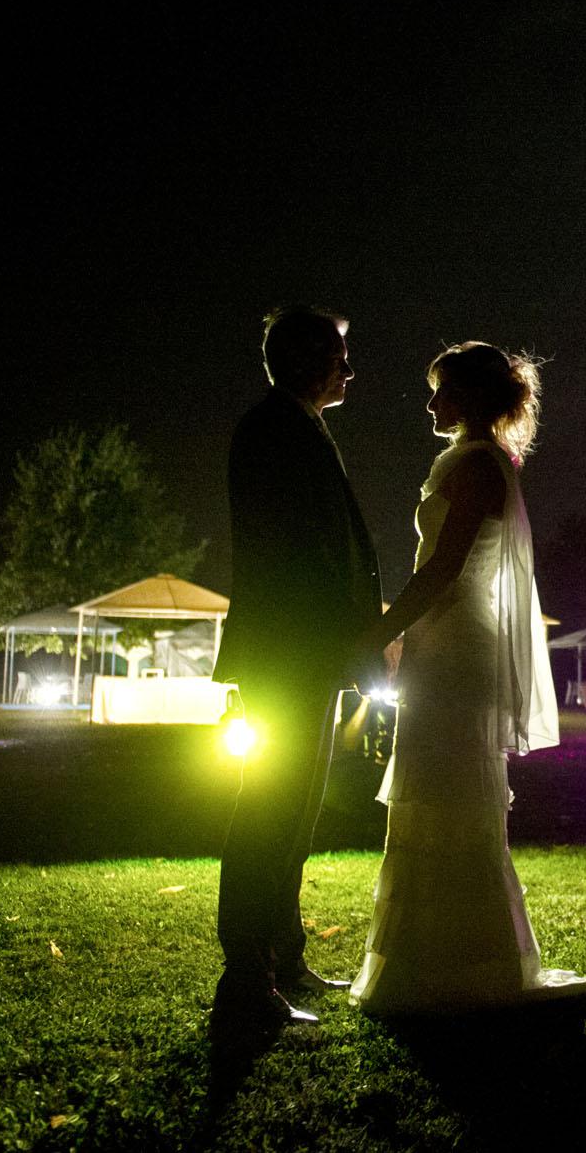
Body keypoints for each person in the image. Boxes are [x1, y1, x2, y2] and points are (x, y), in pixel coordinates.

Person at [350, 341, 586, 1012]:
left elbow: (444, 568)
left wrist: (380, 630)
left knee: (451, 796)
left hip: (459, 650)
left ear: (466, 397)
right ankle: (431, 959)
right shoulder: (474, 461)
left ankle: (463, 965)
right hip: (443, 641)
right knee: (434, 796)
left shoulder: (479, 465)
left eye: (441, 391)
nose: (430, 404)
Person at [209, 307, 385, 1044]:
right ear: (309, 361)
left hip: (307, 651)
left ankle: (283, 957)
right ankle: (246, 981)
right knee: (270, 812)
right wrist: (356, 640)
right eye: (340, 356)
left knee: (296, 810)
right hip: (291, 650)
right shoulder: (272, 430)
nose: (350, 370)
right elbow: (304, 556)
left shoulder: (294, 426)